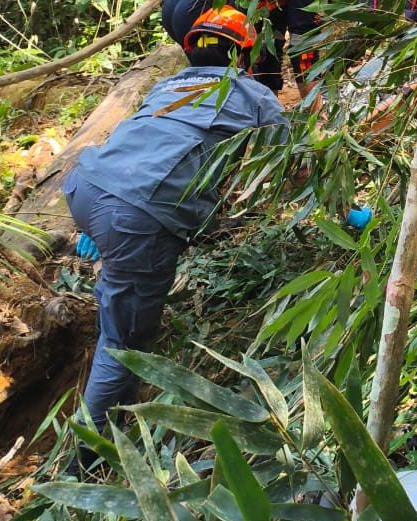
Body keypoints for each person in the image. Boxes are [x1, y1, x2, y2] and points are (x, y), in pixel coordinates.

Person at [63, 6, 288, 453]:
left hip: (87, 186)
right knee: (124, 342)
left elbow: (141, 139)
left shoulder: (168, 86)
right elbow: (296, 171)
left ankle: (118, 392)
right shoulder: (256, 98)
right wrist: (349, 214)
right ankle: (83, 460)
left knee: (123, 291)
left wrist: (99, 221)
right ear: (244, 55)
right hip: (135, 214)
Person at [162, 0, 321, 100]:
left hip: (176, 9)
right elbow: (303, 46)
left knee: (208, 91)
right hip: (205, 16)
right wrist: (318, 117)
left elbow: (269, 40)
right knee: (228, 92)